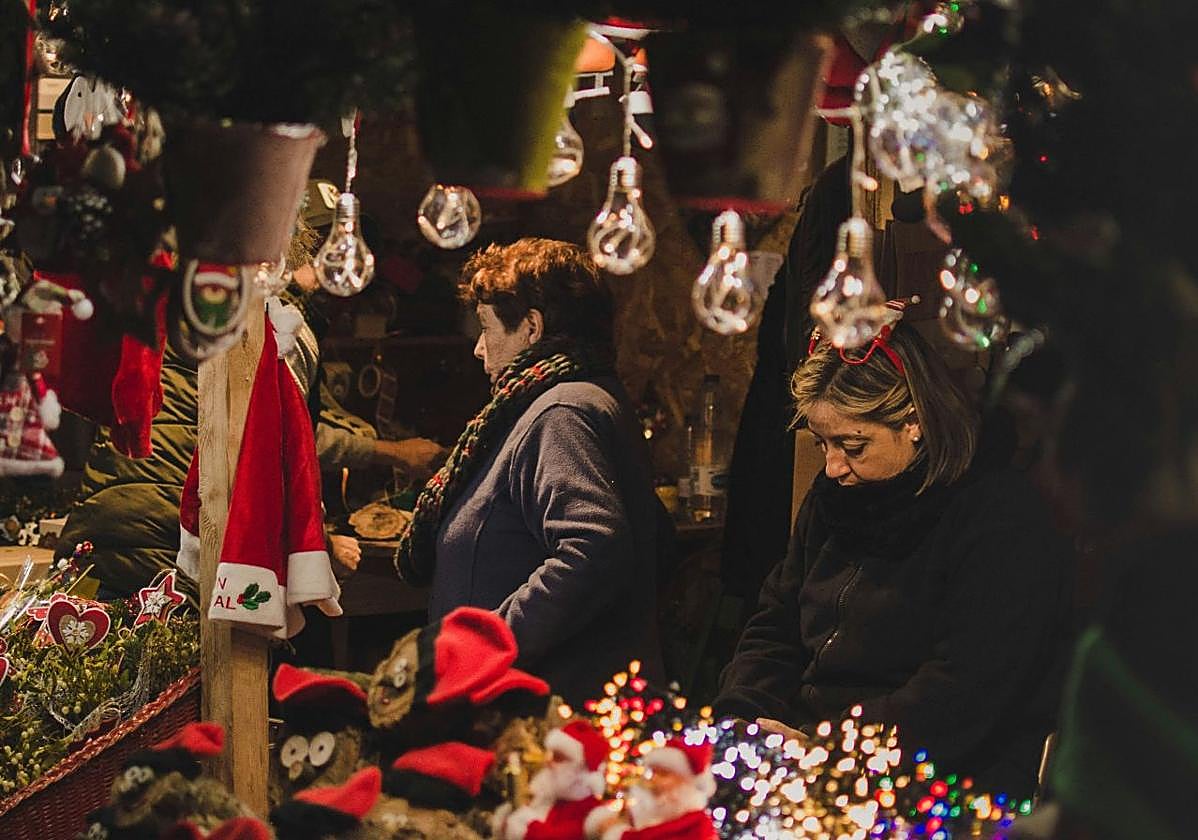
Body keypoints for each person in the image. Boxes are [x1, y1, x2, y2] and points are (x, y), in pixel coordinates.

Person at [714, 317, 1071, 797]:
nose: (832, 467)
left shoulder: (999, 517)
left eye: (852, 445)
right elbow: (776, 621)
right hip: (812, 753)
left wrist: (829, 751)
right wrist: (748, 719)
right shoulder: (832, 497)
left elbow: (966, 690)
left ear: (915, 423)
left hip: (936, 774)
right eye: (822, 444)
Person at [395, 237, 665, 702]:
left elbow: (593, 547)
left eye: (487, 328)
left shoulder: (561, 413)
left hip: (548, 712)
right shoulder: (569, 399)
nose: (479, 350)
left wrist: (485, 648)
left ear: (532, 328)